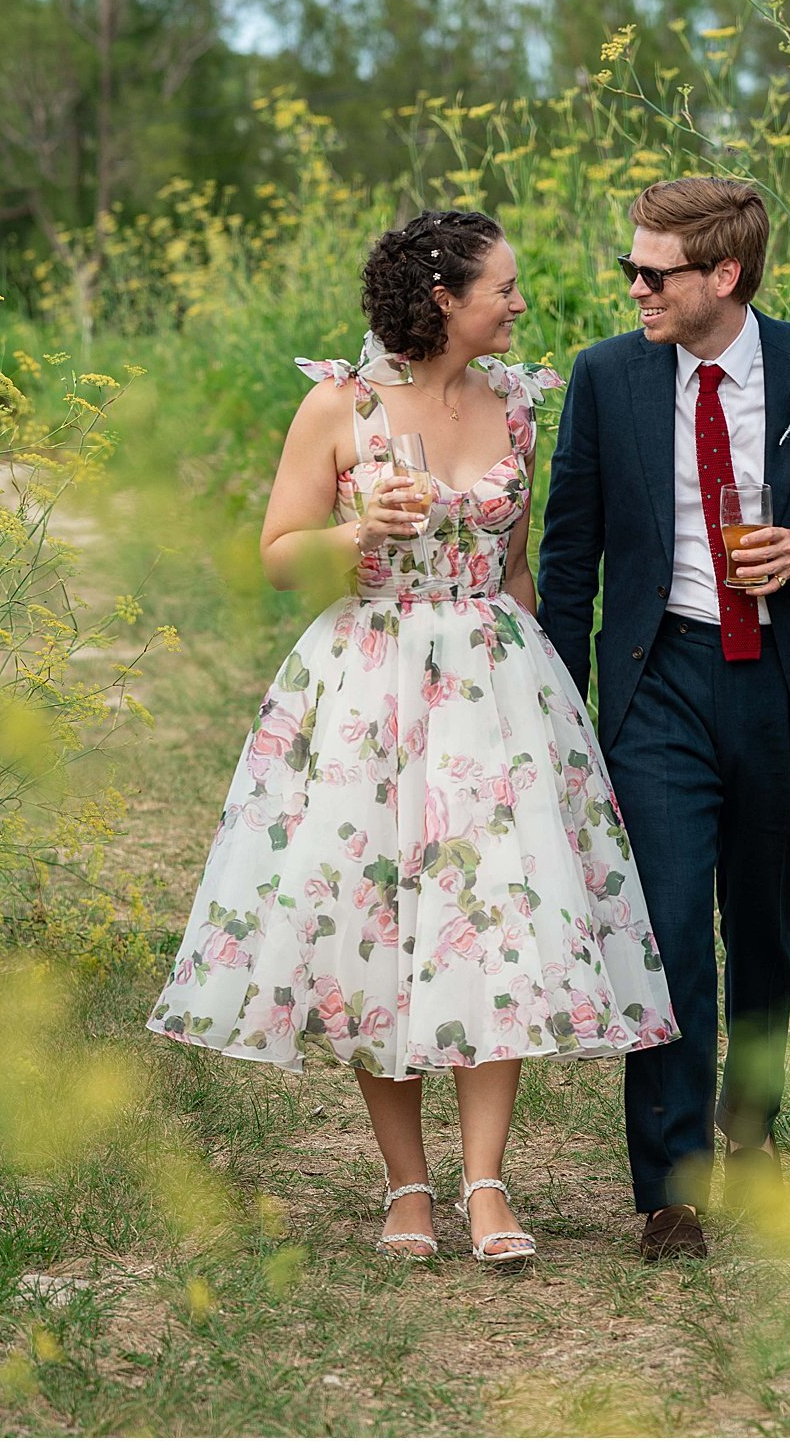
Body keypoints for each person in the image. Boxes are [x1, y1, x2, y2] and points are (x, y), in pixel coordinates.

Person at [148, 210, 678, 1268]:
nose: (519, 304)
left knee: (493, 926)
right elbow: (276, 556)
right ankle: (406, 1185)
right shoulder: (337, 407)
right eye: (503, 287)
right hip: (367, 682)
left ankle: (485, 1181)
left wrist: (551, 705)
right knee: (371, 926)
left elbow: (517, 566)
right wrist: (360, 533)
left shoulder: (520, 404)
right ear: (443, 298)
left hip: (495, 687)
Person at [536, 177, 790, 1261]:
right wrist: (566, 708)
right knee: (658, 929)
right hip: (659, 683)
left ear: (723, 277)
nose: (634, 288)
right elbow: (571, 559)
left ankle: (750, 1131)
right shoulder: (606, 377)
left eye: (652, 273)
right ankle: (670, 1185)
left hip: (781, 686)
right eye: (630, 269)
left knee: (761, 924)